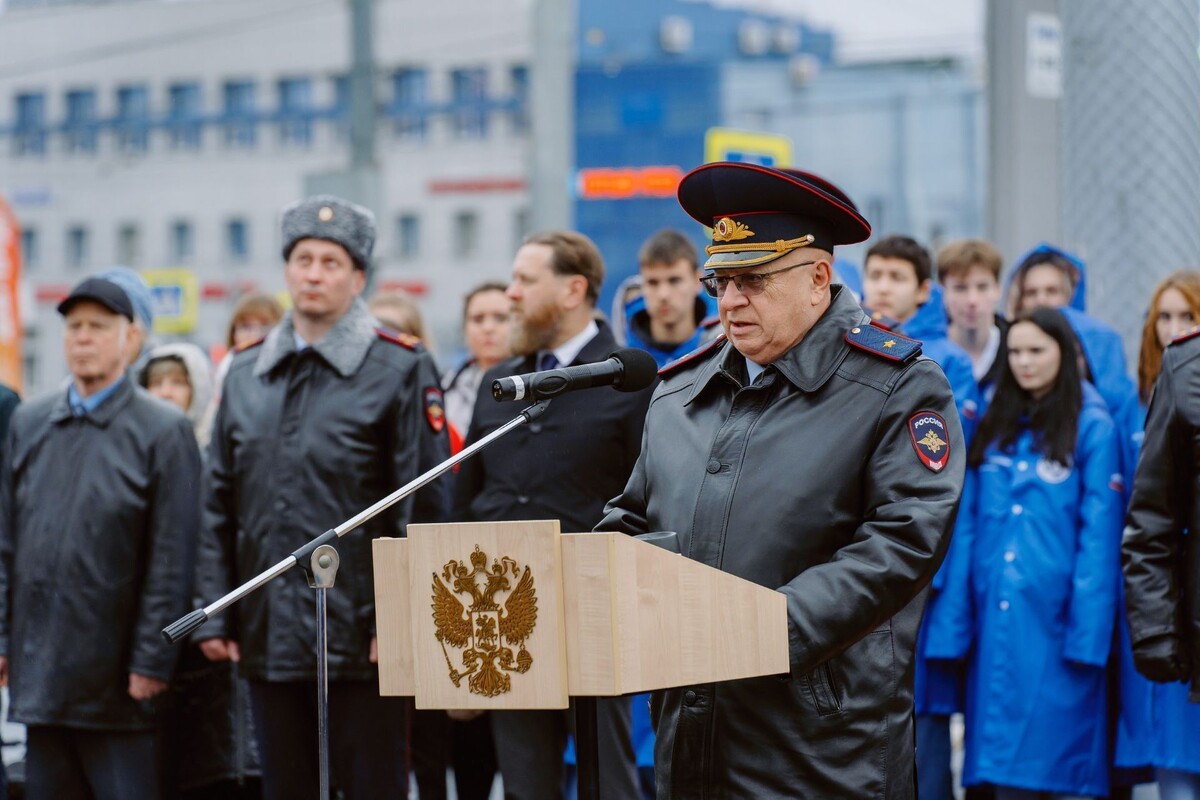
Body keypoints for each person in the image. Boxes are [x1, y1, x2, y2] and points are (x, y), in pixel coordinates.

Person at [597, 161, 965, 798]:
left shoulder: (896, 386)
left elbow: (904, 539)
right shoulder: (680, 392)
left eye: (753, 281)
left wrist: (765, 628)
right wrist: (588, 581)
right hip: (692, 741)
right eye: (720, 281)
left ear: (819, 278)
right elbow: (633, 519)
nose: (729, 302)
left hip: (820, 751)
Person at [196, 195, 450, 800]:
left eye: (331, 262)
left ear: (358, 278)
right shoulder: (245, 373)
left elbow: (423, 503)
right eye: (303, 259)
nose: (313, 274)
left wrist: (398, 619)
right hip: (267, 630)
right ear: (286, 270)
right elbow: (217, 501)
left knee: (372, 787)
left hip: (362, 638)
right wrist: (218, 607)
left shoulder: (399, 367)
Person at [453, 230, 649, 800]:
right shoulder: (500, 383)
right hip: (504, 618)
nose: (510, 294)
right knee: (524, 784)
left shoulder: (627, 380)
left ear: (573, 290)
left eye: (524, 280)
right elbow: (467, 503)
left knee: (608, 782)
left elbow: (649, 503)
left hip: (595, 614)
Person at [0, 276, 202, 800]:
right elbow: (7, 544)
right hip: (42, 674)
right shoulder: (30, 422)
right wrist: (3, 640)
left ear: (130, 338)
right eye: (74, 327)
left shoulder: (163, 430)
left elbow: (173, 558)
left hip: (119, 682)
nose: (83, 338)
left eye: (98, 326)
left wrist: (151, 660)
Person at [933, 307, 1124, 800]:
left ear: (1066, 353)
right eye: (1015, 351)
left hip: (1058, 628)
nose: (1024, 362)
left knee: (1062, 766)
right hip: (996, 623)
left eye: (1037, 350)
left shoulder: (1092, 426)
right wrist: (955, 626)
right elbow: (966, 527)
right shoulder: (996, 421)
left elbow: (1099, 539)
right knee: (1002, 774)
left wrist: (1088, 637)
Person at [138, 344, 262, 799]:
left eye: (177, 382)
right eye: (156, 383)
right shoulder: (135, 448)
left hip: (205, 618)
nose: (166, 392)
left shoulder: (215, 451)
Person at [1121, 271, 1200, 800]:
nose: (1173, 327)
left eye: (1186, 314)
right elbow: (1150, 520)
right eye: (1164, 316)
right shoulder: (1183, 371)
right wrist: (1154, 630)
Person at [622, 229, 719, 367]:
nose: (663, 294)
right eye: (653, 283)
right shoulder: (620, 359)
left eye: (674, 281)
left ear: (697, 280)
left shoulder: (723, 353)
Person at [938, 238, 1009, 402]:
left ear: (998, 289)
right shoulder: (924, 352)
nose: (972, 300)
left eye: (982, 287)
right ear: (942, 291)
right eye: (960, 288)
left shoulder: (1018, 349)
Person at [442, 281, 510, 438]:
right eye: (478, 319)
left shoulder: (536, 383)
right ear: (464, 329)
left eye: (500, 318)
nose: (488, 328)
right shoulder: (446, 388)